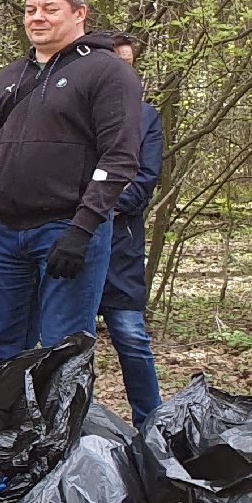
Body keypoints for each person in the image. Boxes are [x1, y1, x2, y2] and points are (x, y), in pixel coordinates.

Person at [0, 0, 143, 364]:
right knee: (5, 347)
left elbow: (119, 158)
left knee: (63, 350)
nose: (37, 17)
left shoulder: (108, 72)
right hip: (8, 234)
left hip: (68, 230)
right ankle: (11, 425)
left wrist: (82, 229)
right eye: (30, 9)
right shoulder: (9, 77)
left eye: (50, 9)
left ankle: (63, 427)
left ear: (79, 13)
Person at [100, 31, 164, 428]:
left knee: (131, 338)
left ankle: (152, 425)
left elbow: (142, 183)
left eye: (128, 64)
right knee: (69, 346)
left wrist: (96, 205)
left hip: (120, 248)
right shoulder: (79, 111)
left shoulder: (146, 117)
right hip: (67, 248)